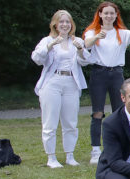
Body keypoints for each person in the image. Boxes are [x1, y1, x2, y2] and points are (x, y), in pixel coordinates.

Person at [83, 2, 130, 165]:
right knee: (97, 112)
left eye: (112, 13)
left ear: (116, 16)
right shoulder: (92, 31)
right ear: (100, 15)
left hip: (116, 73)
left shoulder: (121, 32)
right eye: (106, 13)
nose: (109, 16)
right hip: (99, 73)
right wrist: (97, 37)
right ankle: (96, 150)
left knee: (120, 111)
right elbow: (86, 45)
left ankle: (121, 147)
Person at [32, 10, 90, 168]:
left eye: (68, 22)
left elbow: (86, 61)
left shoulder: (76, 40)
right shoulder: (47, 40)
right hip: (52, 82)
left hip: (71, 82)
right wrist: (50, 45)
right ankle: (51, 158)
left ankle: (70, 156)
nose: (65, 25)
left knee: (71, 122)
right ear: (55, 25)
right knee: (50, 122)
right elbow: (37, 58)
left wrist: (80, 49)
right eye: (62, 22)